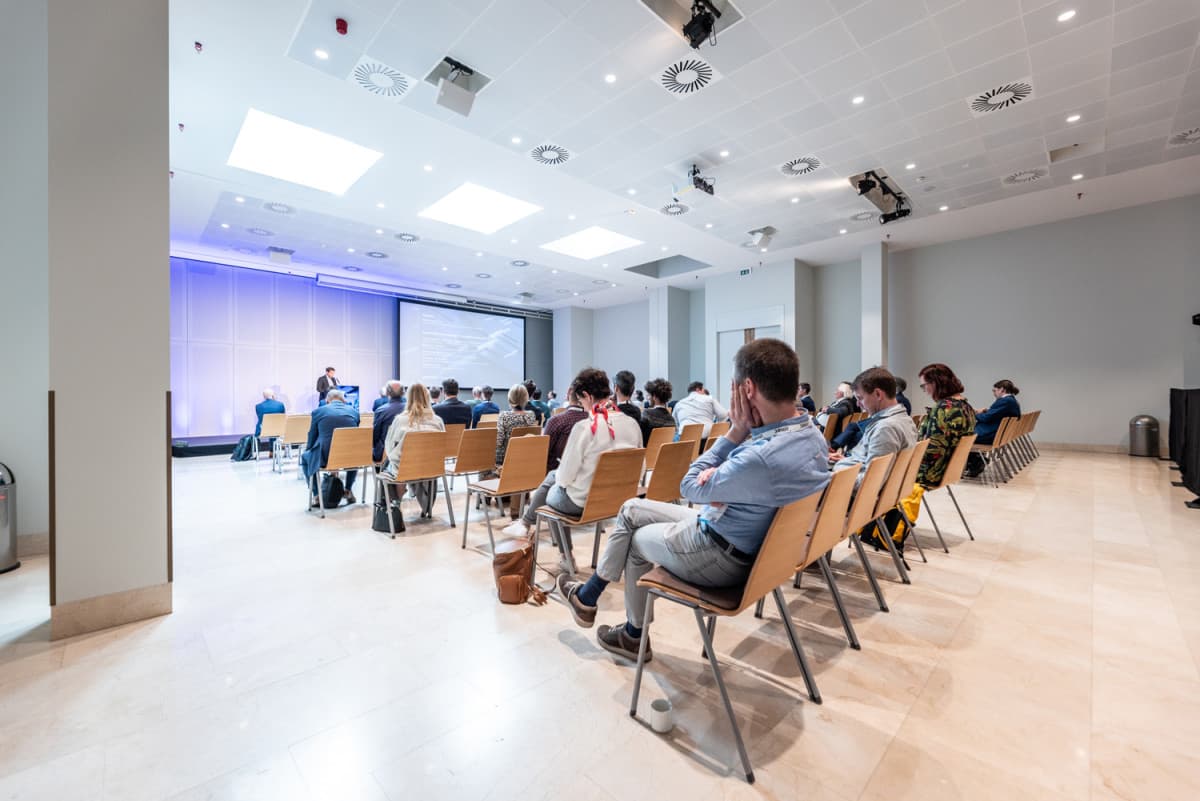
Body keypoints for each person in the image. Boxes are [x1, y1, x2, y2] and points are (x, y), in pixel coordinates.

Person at [556, 339, 832, 661]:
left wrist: (735, 433)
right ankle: (588, 596)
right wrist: (726, 484)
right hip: (748, 545)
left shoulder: (759, 457)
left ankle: (633, 635)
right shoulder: (811, 436)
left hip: (719, 555)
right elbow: (721, 488)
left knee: (632, 539)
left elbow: (688, 486)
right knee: (630, 509)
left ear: (747, 389)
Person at [502, 368, 641, 544]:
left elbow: (565, 478)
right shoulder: (632, 424)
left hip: (582, 503)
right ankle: (524, 523)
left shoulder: (585, 428)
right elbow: (640, 468)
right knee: (554, 479)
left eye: (581, 400)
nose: (582, 405)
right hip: (619, 500)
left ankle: (561, 556)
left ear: (587, 396)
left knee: (552, 484)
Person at [877, 363, 977, 549]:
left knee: (877, 472)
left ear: (937, 382)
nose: (924, 390)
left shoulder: (944, 408)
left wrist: (902, 462)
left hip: (929, 471)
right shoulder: (965, 406)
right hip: (946, 469)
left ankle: (878, 530)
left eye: (924, 386)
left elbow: (932, 450)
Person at [831, 367, 917, 480]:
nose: (857, 404)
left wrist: (829, 478)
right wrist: (847, 461)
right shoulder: (904, 419)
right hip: (855, 471)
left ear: (878, 394)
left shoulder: (886, 428)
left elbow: (872, 482)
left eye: (860, 398)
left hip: (852, 490)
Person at [381, 383, 446, 516]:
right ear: (427, 397)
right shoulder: (437, 420)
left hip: (405, 469)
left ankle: (395, 504)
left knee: (391, 464)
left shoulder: (400, 420)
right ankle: (426, 506)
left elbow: (389, 448)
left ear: (408, 398)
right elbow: (442, 448)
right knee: (410, 463)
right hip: (431, 468)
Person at [302, 389, 359, 507]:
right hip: (350, 456)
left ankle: (317, 495)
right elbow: (353, 436)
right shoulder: (354, 412)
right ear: (343, 400)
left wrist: (309, 450)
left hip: (325, 456)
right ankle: (348, 490)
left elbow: (312, 435)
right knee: (352, 453)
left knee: (305, 458)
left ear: (327, 401)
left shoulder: (318, 412)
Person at [966, 379, 1021, 476]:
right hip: (997, 434)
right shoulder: (1011, 401)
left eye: (994, 390)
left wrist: (972, 414)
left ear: (1002, 390)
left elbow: (987, 418)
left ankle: (975, 462)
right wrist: (987, 411)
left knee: (962, 435)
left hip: (990, 434)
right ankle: (976, 461)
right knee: (965, 433)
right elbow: (995, 414)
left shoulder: (1005, 401)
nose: (994, 393)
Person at [542, 383, 587, 472]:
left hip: (557, 475)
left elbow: (543, 453)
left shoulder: (555, 421)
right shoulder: (593, 421)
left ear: (569, 392)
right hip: (585, 475)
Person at [371, 380, 406, 463]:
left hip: (386, 454)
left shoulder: (381, 411)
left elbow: (375, 436)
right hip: (409, 451)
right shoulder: (412, 410)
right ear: (403, 393)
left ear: (387, 393)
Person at [639, 378, 676, 444]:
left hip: (647, 452)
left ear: (655, 397)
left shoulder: (647, 414)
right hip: (663, 453)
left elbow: (639, 436)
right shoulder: (671, 419)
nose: (648, 398)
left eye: (649, 395)